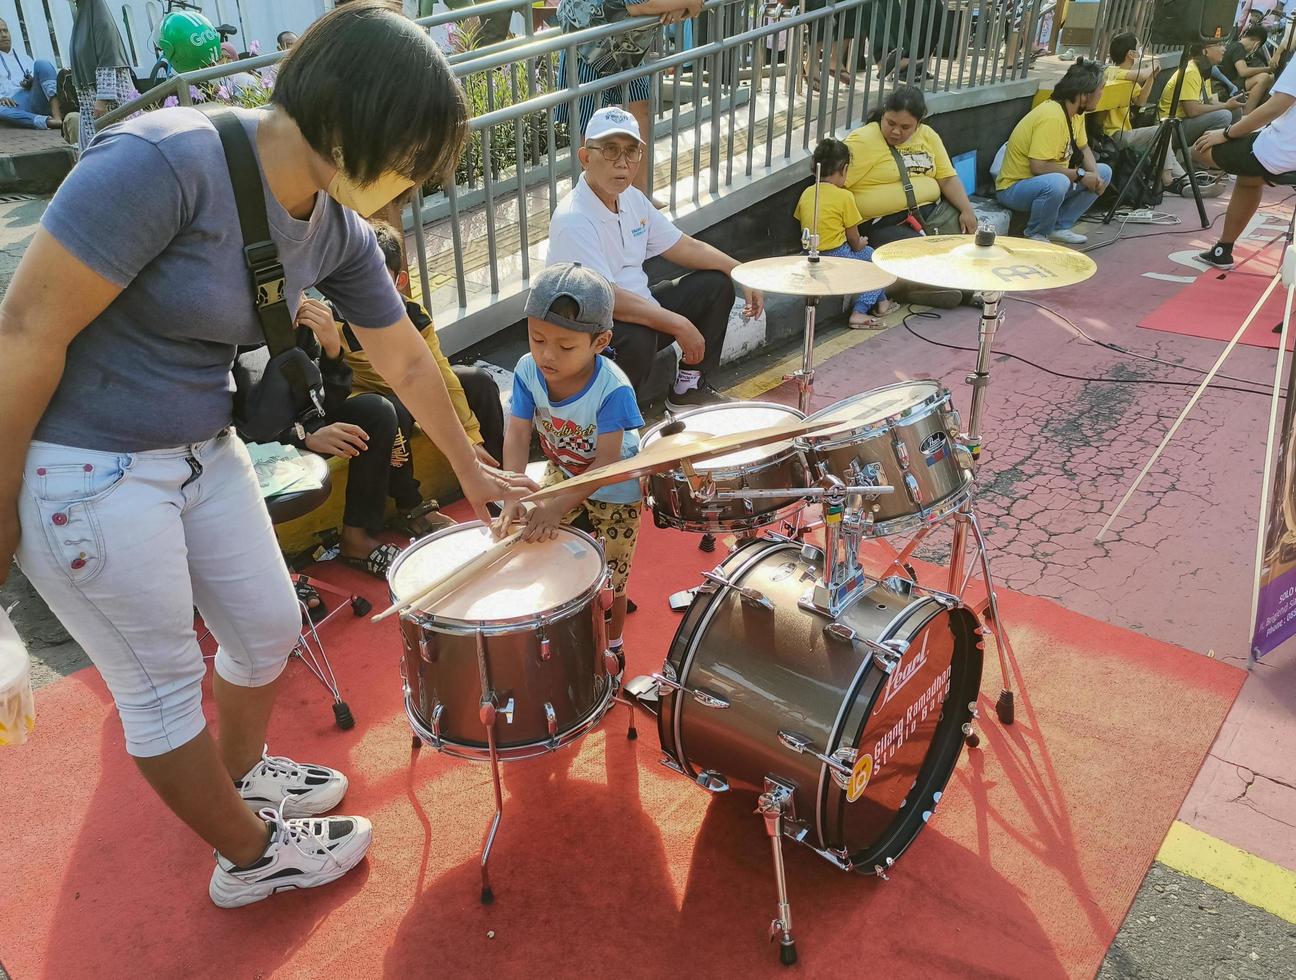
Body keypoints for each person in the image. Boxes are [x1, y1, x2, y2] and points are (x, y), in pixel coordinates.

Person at [0, 1, 533, 909]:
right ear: (368, 120)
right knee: (161, 687)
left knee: (264, 628)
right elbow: (24, 329)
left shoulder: (332, 223)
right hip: (84, 466)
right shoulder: (163, 160)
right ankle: (251, 859)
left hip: (201, 445)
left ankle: (240, 775)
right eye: (414, 157)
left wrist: (477, 471)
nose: (412, 185)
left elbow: (403, 354)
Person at [546, 106, 762, 411]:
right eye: (610, 151)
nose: (622, 163)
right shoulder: (573, 218)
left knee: (716, 285)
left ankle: (689, 389)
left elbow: (684, 246)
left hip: (638, 314)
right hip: (585, 334)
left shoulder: (632, 199)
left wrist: (741, 271)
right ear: (585, 157)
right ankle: (602, 421)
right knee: (639, 336)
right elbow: (606, 299)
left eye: (631, 152)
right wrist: (677, 323)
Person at [498, 263, 642, 658]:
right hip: (561, 471)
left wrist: (555, 505)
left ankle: (612, 646)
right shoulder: (528, 371)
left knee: (613, 576)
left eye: (564, 347)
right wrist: (512, 493)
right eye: (536, 338)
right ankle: (560, 622)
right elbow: (517, 432)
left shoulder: (613, 390)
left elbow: (608, 461)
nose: (547, 355)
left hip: (616, 487)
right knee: (538, 542)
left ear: (600, 342)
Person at [337, 218, 505, 472]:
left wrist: (471, 437)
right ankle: (412, 505)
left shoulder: (415, 314)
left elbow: (441, 371)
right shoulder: (335, 322)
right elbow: (389, 379)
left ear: (400, 280)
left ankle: (498, 471)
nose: (367, 291)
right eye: (356, 280)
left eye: (377, 280)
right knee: (394, 409)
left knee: (477, 380)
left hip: (412, 384)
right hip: (373, 398)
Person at [556, 0, 700, 201]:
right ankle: (594, 202)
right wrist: (684, 3)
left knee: (641, 105)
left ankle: (641, 198)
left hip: (627, 41)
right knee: (587, 122)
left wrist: (676, 6)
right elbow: (638, 5)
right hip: (589, 35)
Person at [842, 85, 978, 248]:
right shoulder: (863, 140)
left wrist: (966, 209)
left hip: (931, 215)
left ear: (918, 123)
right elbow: (833, 186)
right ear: (884, 113)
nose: (896, 132)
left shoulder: (927, 134)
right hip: (882, 224)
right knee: (922, 253)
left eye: (905, 127)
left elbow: (947, 178)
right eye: (890, 123)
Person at [1194, 53, 1296, 269]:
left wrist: (1228, 133)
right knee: (1249, 179)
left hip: (1284, 151)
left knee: (1200, 149)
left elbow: (1275, 106)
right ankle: (1223, 250)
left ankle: (1224, 248)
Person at [995, 59, 1112, 245]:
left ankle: (1059, 226)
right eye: (1101, 88)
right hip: (1014, 189)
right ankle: (1036, 234)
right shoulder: (1052, 116)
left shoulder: (1076, 113)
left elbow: (1083, 147)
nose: (1101, 94)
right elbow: (1038, 167)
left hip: (1048, 182)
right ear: (1084, 94)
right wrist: (1081, 176)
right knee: (1058, 181)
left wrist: (1095, 177)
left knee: (1104, 172)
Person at [795, 138, 895, 328]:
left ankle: (882, 303)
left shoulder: (806, 193)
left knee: (870, 258)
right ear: (845, 169)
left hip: (812, 254)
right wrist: (862, 243)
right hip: (836, 255)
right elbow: (854, 240)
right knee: (878, 262)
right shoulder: (844, 196)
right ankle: (859, 311)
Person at [1102, 31, 1190, 196]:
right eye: (1139, 48)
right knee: (1161, 130)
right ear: (1131, 54)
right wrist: (1151, 66)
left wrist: (1152, 77)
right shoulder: (1112, 72)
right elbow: (1142, 74)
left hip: (1126, 133)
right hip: (1112, 135)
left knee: (1162, 136)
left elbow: (1140, 101)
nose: (1141, 51)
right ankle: (1169, 180)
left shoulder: (1130, 79)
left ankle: (1186, 181)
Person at [68, 0, 135, 153]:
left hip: (109, 100)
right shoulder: (84, 15)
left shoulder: (100, 19)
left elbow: (108, 58)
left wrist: (102, 99)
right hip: (91, 98)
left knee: (115, 147)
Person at [1157, 40, 1244, 154]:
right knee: (1223, 116)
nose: (1224, 49)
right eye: (1219, 45)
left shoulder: (1203, 70)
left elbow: (1208, 102)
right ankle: (1199, 161)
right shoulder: (1191, 72)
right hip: (1171, 127)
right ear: (1205, 51)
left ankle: (1221, 155)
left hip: (1187, 122)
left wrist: (1231, 104)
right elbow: (1191, 111)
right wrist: (1225, 106)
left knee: (1235, 111)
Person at [0, 18, 62, 130]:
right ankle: (48, 122)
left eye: (5, 31)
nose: (4, 35)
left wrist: (32, 81)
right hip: (14, 106)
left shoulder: (24, 57)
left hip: (35, 98)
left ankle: (57, 116)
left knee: (42, 64)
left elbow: (40, 78)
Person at [1223, 26, 1277, 113]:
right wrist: (1268, 69)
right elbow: (1243, 71)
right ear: (1257, 44)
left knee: (1270, 78)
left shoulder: (1233, 45)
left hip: (1228, 82)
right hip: (1229, 85)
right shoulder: (1239, 48)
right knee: (1264, 78)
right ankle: (1246, 113)